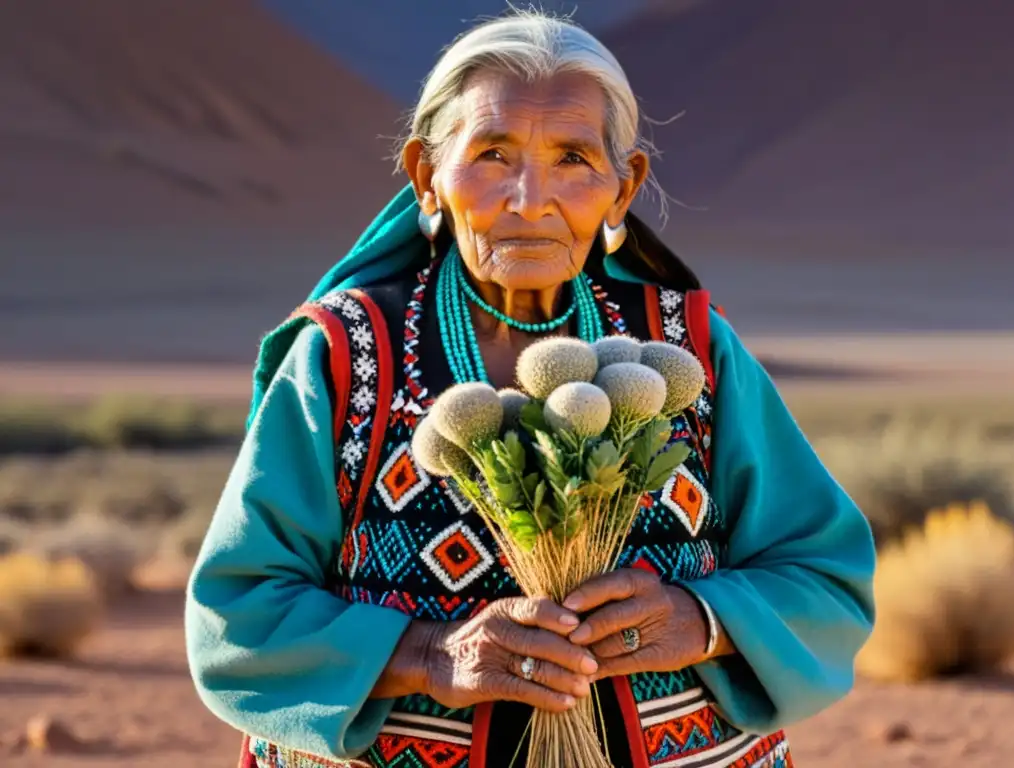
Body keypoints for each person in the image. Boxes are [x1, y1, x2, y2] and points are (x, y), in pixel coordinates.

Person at [185, 10, 875, 768]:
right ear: (427, 176)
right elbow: (239, 611)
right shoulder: (346, 358)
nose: (529, 196)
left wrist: (703, 619)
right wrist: (428, 653)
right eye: (492, 154)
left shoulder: (689, 349)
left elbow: (823, 573)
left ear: (623, 189)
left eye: (574, 158)